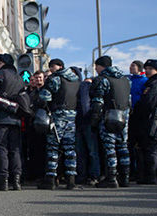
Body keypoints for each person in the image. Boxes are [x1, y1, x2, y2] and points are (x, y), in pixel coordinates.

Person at [0, 53, 26, 191]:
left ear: (3, 63)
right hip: (16, 118)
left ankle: (3, 181)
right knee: (15, 150)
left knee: (2, 149)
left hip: (1, 118)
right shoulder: (19, 78)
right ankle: (17, 181)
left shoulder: (0, 74)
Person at [37, 59, 80, 190]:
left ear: (60, 66)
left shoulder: (56, 79)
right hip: (72, 117)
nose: (51, 69)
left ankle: (50, 179)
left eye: (52, 66)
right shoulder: (76, 80)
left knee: (53, 147)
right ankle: (71, 180)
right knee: (70, 149)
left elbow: (44, 98)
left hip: (57, 116)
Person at [90, 56, 131, 188]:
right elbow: (129, 101)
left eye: (96, 66)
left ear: (101, 66)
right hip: (124, 118)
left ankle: (111, 177)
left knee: (110, 149)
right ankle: (125, 177)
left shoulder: (104, 80)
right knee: (123, 147)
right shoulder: (125, 80)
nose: (96, 69)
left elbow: (98, 102)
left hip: (108, 117)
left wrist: (94, 120)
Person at [132, 59, 157, 184]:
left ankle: (151, 177)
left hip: (153, 121)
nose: (147, 70)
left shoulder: (155, 84)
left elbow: (148, 103)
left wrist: (137, 108)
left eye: (150, 69)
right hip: (155, 120)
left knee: (151, 150)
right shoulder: (155, 83)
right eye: (147, 68)